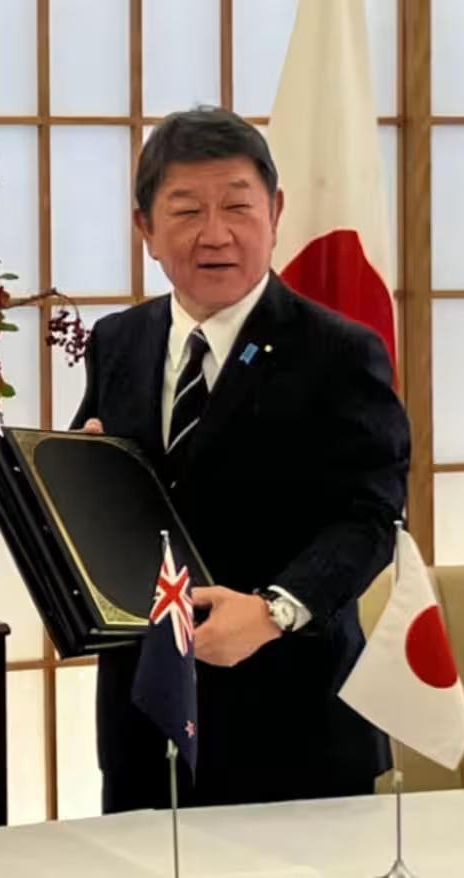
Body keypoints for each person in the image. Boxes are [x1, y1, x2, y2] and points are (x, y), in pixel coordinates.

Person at [72, 106, 411, 811]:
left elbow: (371, 518)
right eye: (187, 210)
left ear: (277, 211)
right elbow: (93, 491)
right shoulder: (118, 341)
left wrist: (273, 612)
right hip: (144, 718)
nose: (215, 234)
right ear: (145, 229)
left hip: (294, 722)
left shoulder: (339, 351)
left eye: (237, 206)